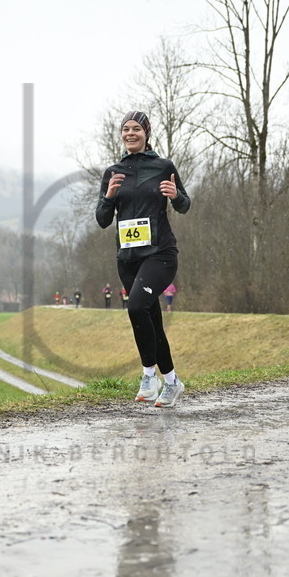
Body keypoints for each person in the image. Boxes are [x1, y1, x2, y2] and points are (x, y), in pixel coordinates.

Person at [96, 110, 191, 408]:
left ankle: (148, 374)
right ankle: (172, 382)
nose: (130, 133)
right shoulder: (113, 172)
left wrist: (175, 195)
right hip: (128, 258)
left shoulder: (163, 167)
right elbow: (101, 219)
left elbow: (185, 205)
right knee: (149, 318)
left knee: (136, 306)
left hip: (160, 253)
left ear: (146, 133)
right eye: (125, 129)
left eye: (136, 128)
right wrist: (109, 197)